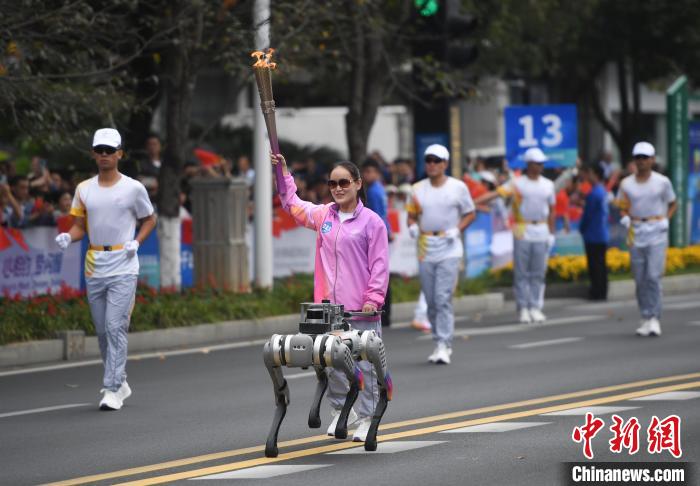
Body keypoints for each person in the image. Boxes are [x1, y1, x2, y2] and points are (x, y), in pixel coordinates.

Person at [271, 152, 388, 443]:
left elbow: (380, 265)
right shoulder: (324, 215)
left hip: (360, 310)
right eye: (333, 183)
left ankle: (367, 417)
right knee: (330, 361)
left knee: (364, 365)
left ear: (358, 184)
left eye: (344, 182)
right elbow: (292, 204)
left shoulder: (372, 223)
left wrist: (373, 297)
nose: (337, 188)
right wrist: (284, 172)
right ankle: (340, 410)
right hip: (328, 310)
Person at [55, 128, 156, 410]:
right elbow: (78, 226)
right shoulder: (84, 189)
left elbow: (150, 219)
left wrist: (136, 241)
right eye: (99, 150)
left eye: (109, 151)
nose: (104, 155)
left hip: (123, 265)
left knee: (115, 326)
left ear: (119, 154)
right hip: (94, 264)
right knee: (101, 330)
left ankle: (112, 388)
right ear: (93, 154)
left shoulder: (133, 188)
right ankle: (120, 380)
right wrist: (68, 236)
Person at [407, 144, 476, 364]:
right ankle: (438, 341)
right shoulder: (417, 189)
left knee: (442, 297)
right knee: (430, 299)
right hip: (426, 245)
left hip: (449, 247)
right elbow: (411, 215)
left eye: (437, 161)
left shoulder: (458, 187)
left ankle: (444, 343)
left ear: (445, 164)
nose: (432, 164)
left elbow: (470, 213)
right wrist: (412, 226)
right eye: (428, 160)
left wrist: (457, 229)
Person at [476, 147, 555, 324]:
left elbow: (552, 211)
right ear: (529, 164)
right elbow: (495, 193)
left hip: (541, 230)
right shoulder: (517, 183)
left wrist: (551, 233)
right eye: (537, 163)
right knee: (522, 273)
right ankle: (523, 308)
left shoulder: (548, 185)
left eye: (542, 163)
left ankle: (535, 307)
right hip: (522, 229)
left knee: (538, 272)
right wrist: (473, 202)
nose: (540, 166)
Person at [617, 142, 676, 337]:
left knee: (653, 276)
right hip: (636, 230)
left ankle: (654, 317)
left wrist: (666, 219)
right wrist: (625, 216)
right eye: (638, 158)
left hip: (657, 229)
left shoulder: (662, 182)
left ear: (652, 160)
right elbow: (622, 205)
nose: (641, 161)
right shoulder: (626, 183)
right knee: (640, 278)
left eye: (645, 158)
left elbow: (673, 202)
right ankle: (645, 315)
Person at [361, 158, 392, 328]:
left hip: (376, 234)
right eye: (365, 172)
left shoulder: (373, 191)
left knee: (377, 272)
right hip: (383, 231)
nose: (367, 175)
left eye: (369, 172)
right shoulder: (379, 188)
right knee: (381, 271)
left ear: (377, 173)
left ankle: (383, 313)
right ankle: (385, 315)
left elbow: (377, 215)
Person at [579, 164, 609, 301]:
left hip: (593, 234)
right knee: (601, 265)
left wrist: (581, 228)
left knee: (594, 265)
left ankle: (596, 292)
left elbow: (587, 215)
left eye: (589, 173)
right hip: (601, 233)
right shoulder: (602, 191)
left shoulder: (593, 194)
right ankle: (602, 291)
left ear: (595, 175)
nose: (587, 176)